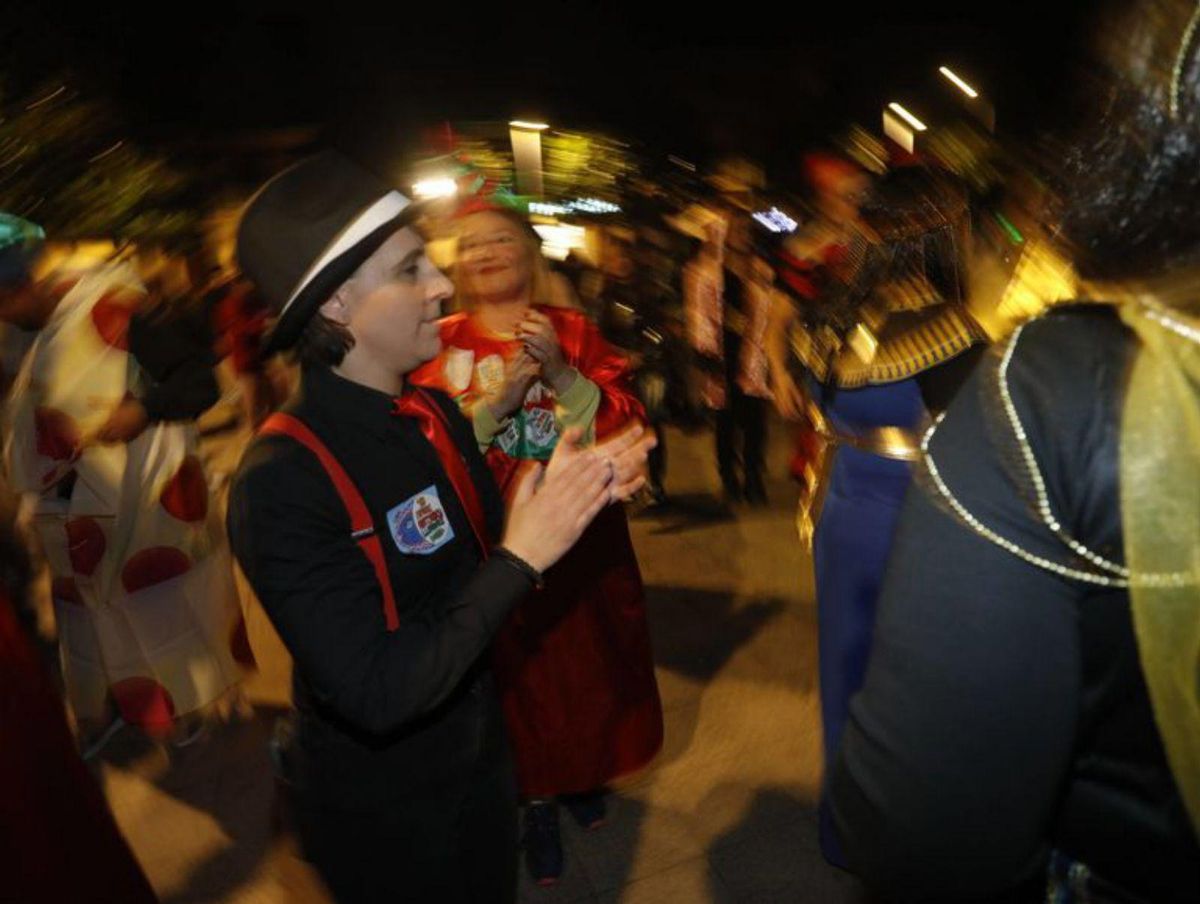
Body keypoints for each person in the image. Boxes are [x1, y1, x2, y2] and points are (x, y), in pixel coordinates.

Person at [830, 2, 1200, 899]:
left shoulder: (1042, 365)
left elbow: (927, 831)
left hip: (900, 500)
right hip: (890, 498)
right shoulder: (934, 329)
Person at [227, 151, 651, 903]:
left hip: (484, 772)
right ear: (336, 306)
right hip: (389, 818)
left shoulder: (432, 415)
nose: (444, 286)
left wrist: (582, 486)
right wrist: (523, 555)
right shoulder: (281, 481)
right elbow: (379, 691)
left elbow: (478, 561)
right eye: (410, 270)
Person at [411, 202, 663, 885]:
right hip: (496, 540)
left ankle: (582, 777)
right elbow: (430, 446)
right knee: (518, 680)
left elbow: (625, 420)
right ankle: (538, 801)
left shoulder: (574, 330)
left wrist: (559, 372)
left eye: (500, 240)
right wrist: (504, 397)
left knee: (585, 668)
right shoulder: (439, 342)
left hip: (584, 538)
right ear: (456, 263)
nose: (486, 253)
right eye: (471, 245)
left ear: (529, 253)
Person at [765, 157, 986, 866]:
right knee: (923, 690)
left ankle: (847, 829)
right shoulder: (949, 330)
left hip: (842, 512)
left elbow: (798, 390)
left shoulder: (830, 320)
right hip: (917, 520)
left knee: (846, 675)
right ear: (939, 236)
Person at [0, 214, 240, 755]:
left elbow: (199, 383)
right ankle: (127, 707)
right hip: (74, 524)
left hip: (142, 512)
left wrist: (144, 408)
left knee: (160, 621)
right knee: (97, 629)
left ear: (22, 285)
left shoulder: (117, 309)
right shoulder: (27, 336)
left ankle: (189, 708)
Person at [683, 206, 775, 506]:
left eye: (744, 231)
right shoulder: (705, 272)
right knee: (726, 424)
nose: (739, 236)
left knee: (755, 424)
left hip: (753, 357)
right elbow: (698, 315)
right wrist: (706, 353)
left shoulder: (760, 271)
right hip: (722, 357)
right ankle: (729, 478)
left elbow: (770, 314)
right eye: (733, 230)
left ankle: (753, 477)